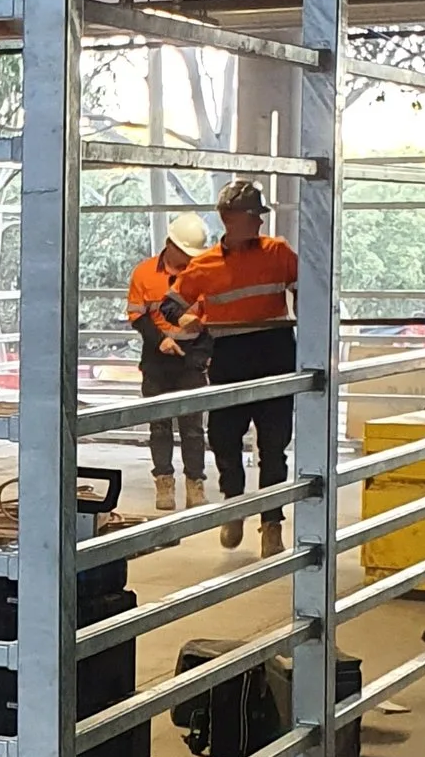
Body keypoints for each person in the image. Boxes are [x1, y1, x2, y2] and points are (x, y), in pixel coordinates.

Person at [170, 178, 299, 554]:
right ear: (229, 218)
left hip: (274, 350)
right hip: (230, 354)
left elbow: (307, 289)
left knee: (274, 445)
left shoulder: (278, 252)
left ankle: (271, 522)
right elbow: (170, 304)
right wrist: (185, 322)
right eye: (252, 215)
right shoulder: (204, 265)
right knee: (224, 439)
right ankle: (234, 505)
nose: (259, 222)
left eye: (260, 215)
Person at [124, 213, 212, 518]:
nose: (189, 259)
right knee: (159, 425)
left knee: (192, 427)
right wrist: (159, 339)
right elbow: (137, 314)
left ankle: (195, 484)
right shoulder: (145, 273)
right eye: (186, 253)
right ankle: (164, 482)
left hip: (191, 358)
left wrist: (201, 354)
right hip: (157, 357)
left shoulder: (204, 273)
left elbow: (215, 317)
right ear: (170, 244)